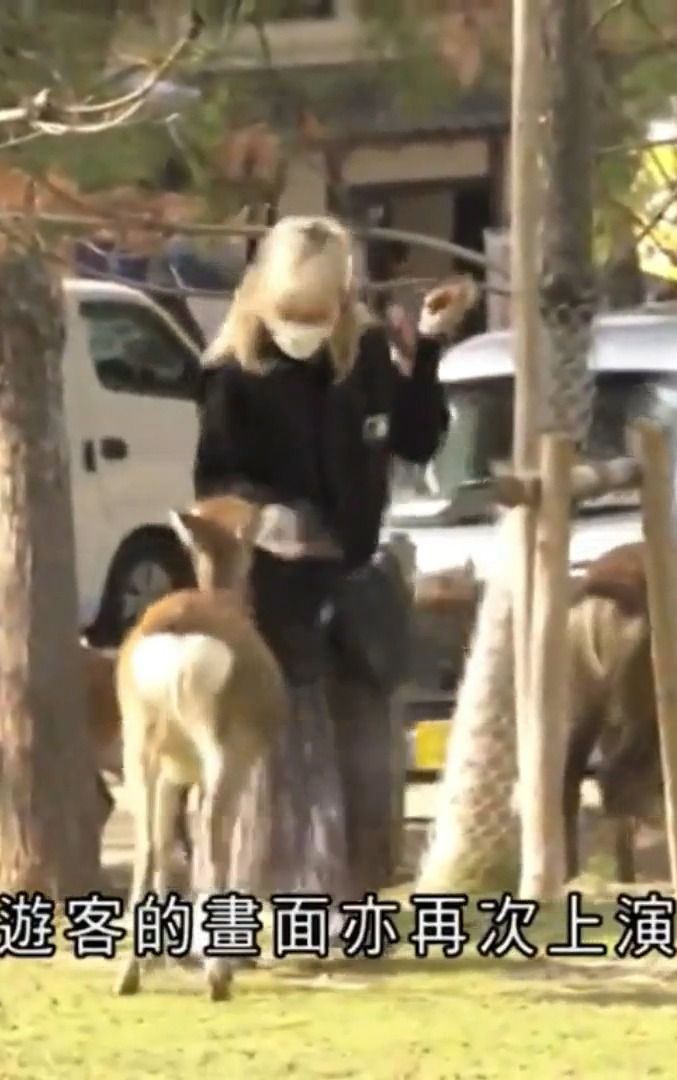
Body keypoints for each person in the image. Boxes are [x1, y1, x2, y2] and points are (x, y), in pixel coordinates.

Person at [192, 214, 477, 897]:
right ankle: (282, 902)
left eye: (320, 312)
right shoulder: (234, 374)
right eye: (294, 313)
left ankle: (358, 904)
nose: (306, 328)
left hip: (354, 580)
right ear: (263, 296)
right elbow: (216, 481)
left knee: (367, 760)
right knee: (288, 760)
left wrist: (429, 350)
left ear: (344, 301)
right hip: (275, 590)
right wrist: (272, 518)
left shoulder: (366, 354)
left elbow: (413, 440)